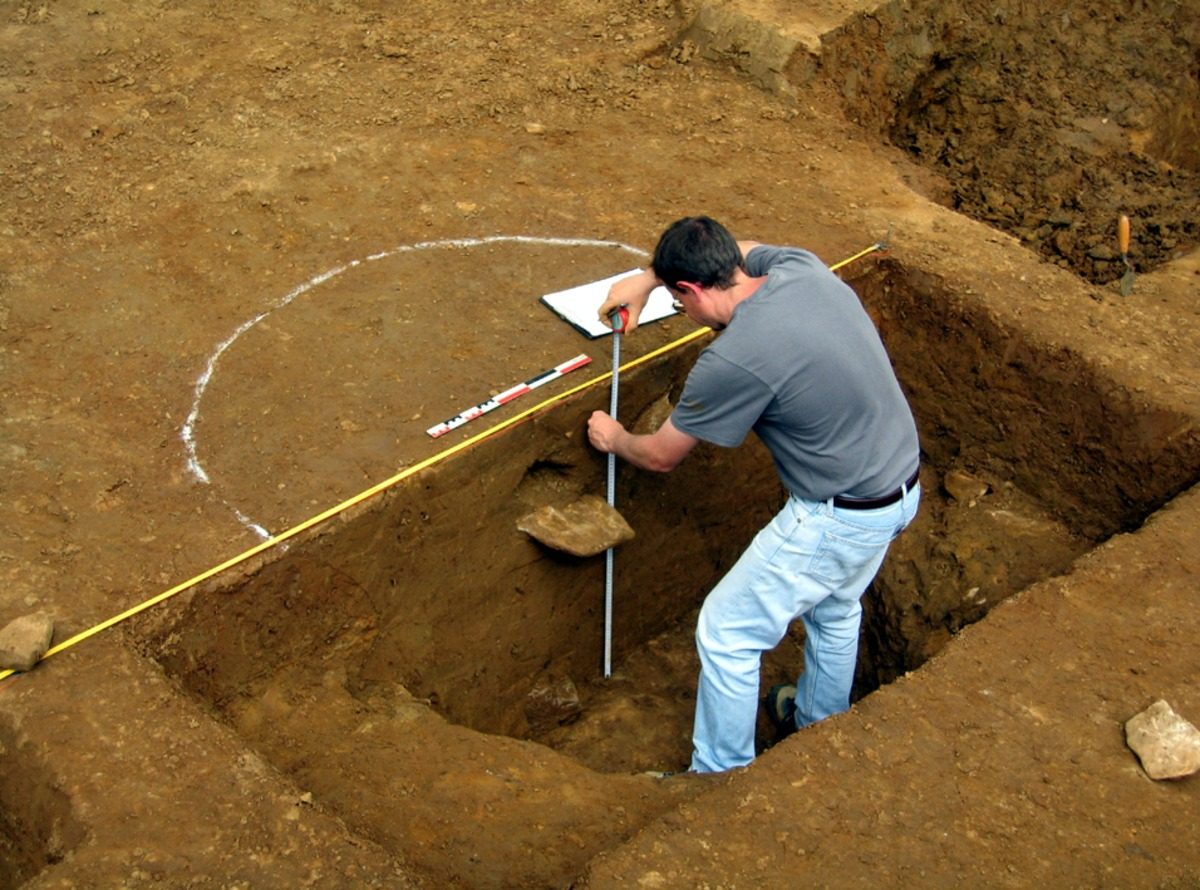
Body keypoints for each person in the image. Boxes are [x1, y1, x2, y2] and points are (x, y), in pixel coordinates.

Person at [587, 216, 921, 774]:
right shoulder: (801, 269)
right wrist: (647, 279)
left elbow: (662, 456)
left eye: (677, 302)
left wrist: (613, 437)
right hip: (900, 485)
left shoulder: (732, 360)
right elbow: (745, 244)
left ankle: (718, 776)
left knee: (726, 633)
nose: (683, 314)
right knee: (835, 610)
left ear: (689, 291)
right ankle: (817, 724)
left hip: (839, 516)